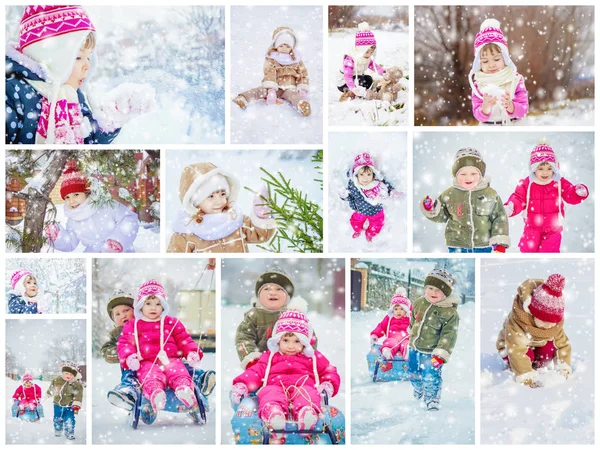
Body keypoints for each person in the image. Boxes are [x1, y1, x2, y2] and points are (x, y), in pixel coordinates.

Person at [6, 5, 154, 144]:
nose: (87, 66)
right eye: (77, 57)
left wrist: (112, 116)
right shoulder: (13, 94)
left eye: (89, 57)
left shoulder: (73, 96)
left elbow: (89, 141)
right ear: (49, 56)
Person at [231, 308, 340, 443]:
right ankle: (274, 414)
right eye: (286, 340)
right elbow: (255, 372)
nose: (290, 346)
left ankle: (306, 414)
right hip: (276, 386)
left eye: (296, 341)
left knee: (308, 393)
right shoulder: (270, 357)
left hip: (303, 386)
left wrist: (328, 384)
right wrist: (242, 384)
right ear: (278, 340)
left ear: (305, 342)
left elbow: (329, 371)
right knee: (269, 392)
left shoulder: (313, 357)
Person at [117, 280, 204, 414]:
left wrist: (192, 352)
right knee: (150, 376)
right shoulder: (134, 325)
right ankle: (156, 394)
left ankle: (184, 390)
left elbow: (184, 339)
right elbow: (125, 343)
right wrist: (129, 357)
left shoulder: (171, 322)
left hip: (170, 359)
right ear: (140, 306)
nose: (153, 308)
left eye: (158, 304)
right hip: (146, 361)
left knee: (179, 372)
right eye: (148, 304)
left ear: (163, 306)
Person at [168, 162, 276, 252]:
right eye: (210, 196)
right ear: (195, 201)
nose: (219, 201)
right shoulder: (186, 233)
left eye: (222, 194)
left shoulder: (235, 220)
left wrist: (262, 214)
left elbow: (261, 235)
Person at [421, 148, 510, 253]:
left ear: (481, 175)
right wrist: (432, 209)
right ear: (455, 175)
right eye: (463, 174)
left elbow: (499, 218)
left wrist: (500, 242)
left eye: (473, 174)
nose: (469, 178)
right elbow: (442, 216)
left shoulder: (490, 194)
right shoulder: (449, 194)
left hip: (482, 245)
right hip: (457, 244)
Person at [505, 142, 589, 253]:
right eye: (540, 168)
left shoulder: (559, 182)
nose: (545, 172)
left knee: (549, 251)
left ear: (554, 168)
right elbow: (518, 198)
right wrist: (511, 207)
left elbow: (569, 193)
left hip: (553, 229)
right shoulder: (527, 183)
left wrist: (577, 192)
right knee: (528, 250)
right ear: (533, 169)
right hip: (532, 228)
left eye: (549, 168)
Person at [44, 161, 140, 253]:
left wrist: (117, 241)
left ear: (86, 192)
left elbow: (128, 218)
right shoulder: (73, 220)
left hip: (119, 253)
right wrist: (57, 236)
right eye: (67, 197)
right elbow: (70, 243)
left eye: (76, 194)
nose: (71, 201)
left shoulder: (105, 206)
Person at [496, 274, 571, 388]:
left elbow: (563, 345)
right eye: (544, 321)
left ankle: (538, 367)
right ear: (533, 313)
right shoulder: (518, 321)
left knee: (548, 349)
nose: (547, 326)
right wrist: (526, 376)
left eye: (552, 322)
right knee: (526, 355)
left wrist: (564, 367)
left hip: (537, 343)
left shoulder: (553, 326)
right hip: (511, 347)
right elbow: (516, 350)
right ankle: (521, 368)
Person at [235, 266, 316, 369]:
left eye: (279, 289)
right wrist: (251, 358)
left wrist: (306, 356)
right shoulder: (254, 316)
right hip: (261, 366)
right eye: (267, 289)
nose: (272, 292)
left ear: (288, 296)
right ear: (258, 295)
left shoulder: (294, 316)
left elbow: (309, 338)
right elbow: (243, 338)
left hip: (292, 364)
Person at [408, 268, 460, 411]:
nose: (433, 292)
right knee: (412, 373)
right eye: (430, 288)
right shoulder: (419, 302)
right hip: (414, 347)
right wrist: (411, 333)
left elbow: (449, 335)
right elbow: (413, 320)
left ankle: (432, 398)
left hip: (432, 352)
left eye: (438, 290)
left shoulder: (450, 312)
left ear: (446, 293)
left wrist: (441, 354)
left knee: (431, 376)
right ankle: (418, 388)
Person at [232, 27, 311, 116]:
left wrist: (302, 89)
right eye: (281, 45)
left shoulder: (296, 60)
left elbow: (303, 74)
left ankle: (302, 105)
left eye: (287, 46)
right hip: (274, 86)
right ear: (276, 45)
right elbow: (269, 73)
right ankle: (243, 98)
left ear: (292, 47)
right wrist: (271, 90)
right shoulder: (272, 58)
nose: (284, 48)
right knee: (260, 91)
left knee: (294, 96)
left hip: (289, 88)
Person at [468, 18, 529, 125]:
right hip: (490, 128)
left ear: (505, 59)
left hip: (515, 125)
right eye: (485, 61)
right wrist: (485, 108)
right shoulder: (478, 85)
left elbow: (524, 109)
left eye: (496, 59)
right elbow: (477, 114)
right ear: (479, 63)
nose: (491, 65)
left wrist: (511, 106)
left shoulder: (515, 79)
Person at [339, 152, 403, 242]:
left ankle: (370, 234)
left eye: (369, 174)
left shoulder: (377, 183)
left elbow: (386, 187)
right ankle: (357, 231)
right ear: (356, 175)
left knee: (377, 225)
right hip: (360, 210)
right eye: (362, 174)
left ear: (373, 174)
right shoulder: (353, 186)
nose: (365, 178)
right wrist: (344, 196)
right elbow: (350, 197)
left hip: (376, 211)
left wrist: (392, 192)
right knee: (355, 222)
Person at [336, 22, 385, 101]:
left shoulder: (366, 58)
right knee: (360, 80)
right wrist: (353, 88)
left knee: (368, 79)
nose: (369, 55)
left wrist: (384, 72)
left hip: (356, 79)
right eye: (367, 52)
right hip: (344, 83)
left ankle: (360, 91)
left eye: (371, 52)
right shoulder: (350, 60)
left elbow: (374, 66)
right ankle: (352, 92)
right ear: (360, 49)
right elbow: (347, 76)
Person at [370, 287, 411, 360]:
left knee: (406, 344)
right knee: (390, 343)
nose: (398, 311)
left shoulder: (409, 318)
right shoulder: (389, 318)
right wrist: (375, 334)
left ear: (406, 309)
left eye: (402, 309)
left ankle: (407, 352)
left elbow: (416, 327)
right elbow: (381, 326)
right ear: (392, 310)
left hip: (405, 339)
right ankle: (387, 352)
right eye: (396, 309)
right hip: (392, 338)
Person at [46, 362, 84, 440]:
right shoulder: (57, 380)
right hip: (57, 404)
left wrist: (76, 403)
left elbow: (78, 394)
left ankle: (69, 432)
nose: (68, 376)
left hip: (70, 405)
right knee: (57, 418)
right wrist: (50, 393)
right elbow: (51, 388)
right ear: (63, 373)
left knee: (69, 419)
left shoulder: (76, 384)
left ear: (74, 375)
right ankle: (58, 429)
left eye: (71, 374)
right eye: (66, 373)